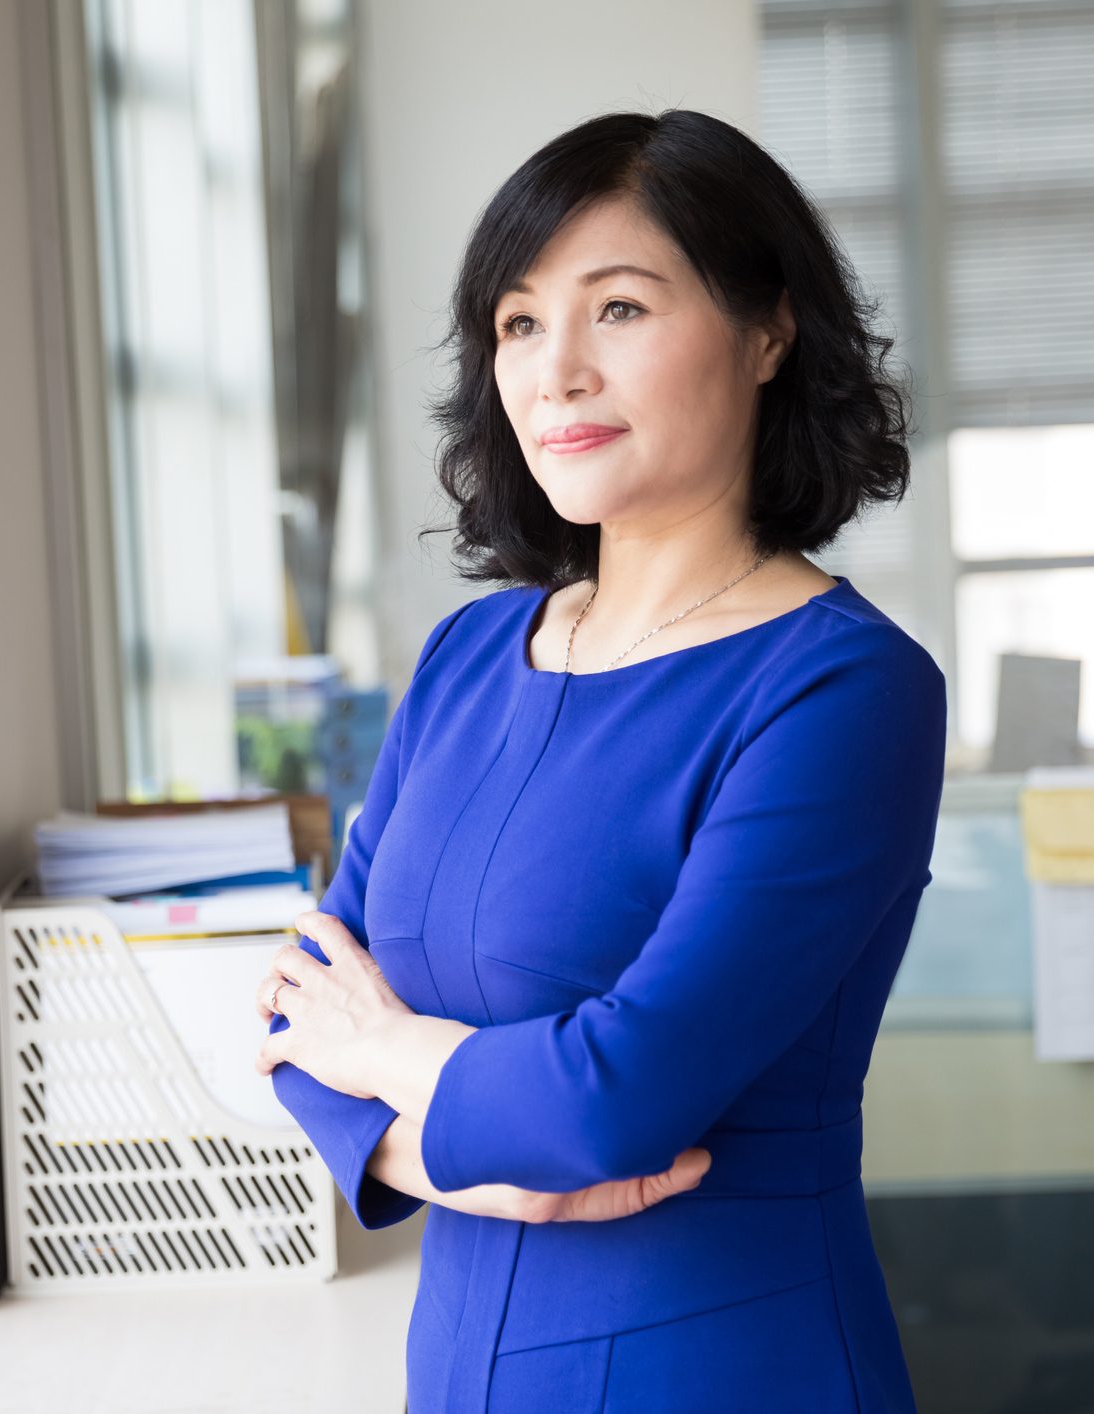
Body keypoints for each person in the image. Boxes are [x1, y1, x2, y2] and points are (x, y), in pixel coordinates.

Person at [252, 107, 946, 1414]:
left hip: (725, 1367)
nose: (554, 368)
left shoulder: (842, 690)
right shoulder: (468, 657)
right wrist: (460, 1161)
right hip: (456, 1364)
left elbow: (613, 1100)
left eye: (617, 308)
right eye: (517, 321)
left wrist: (389, 1049)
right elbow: (300, 1009)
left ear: (766, 329)